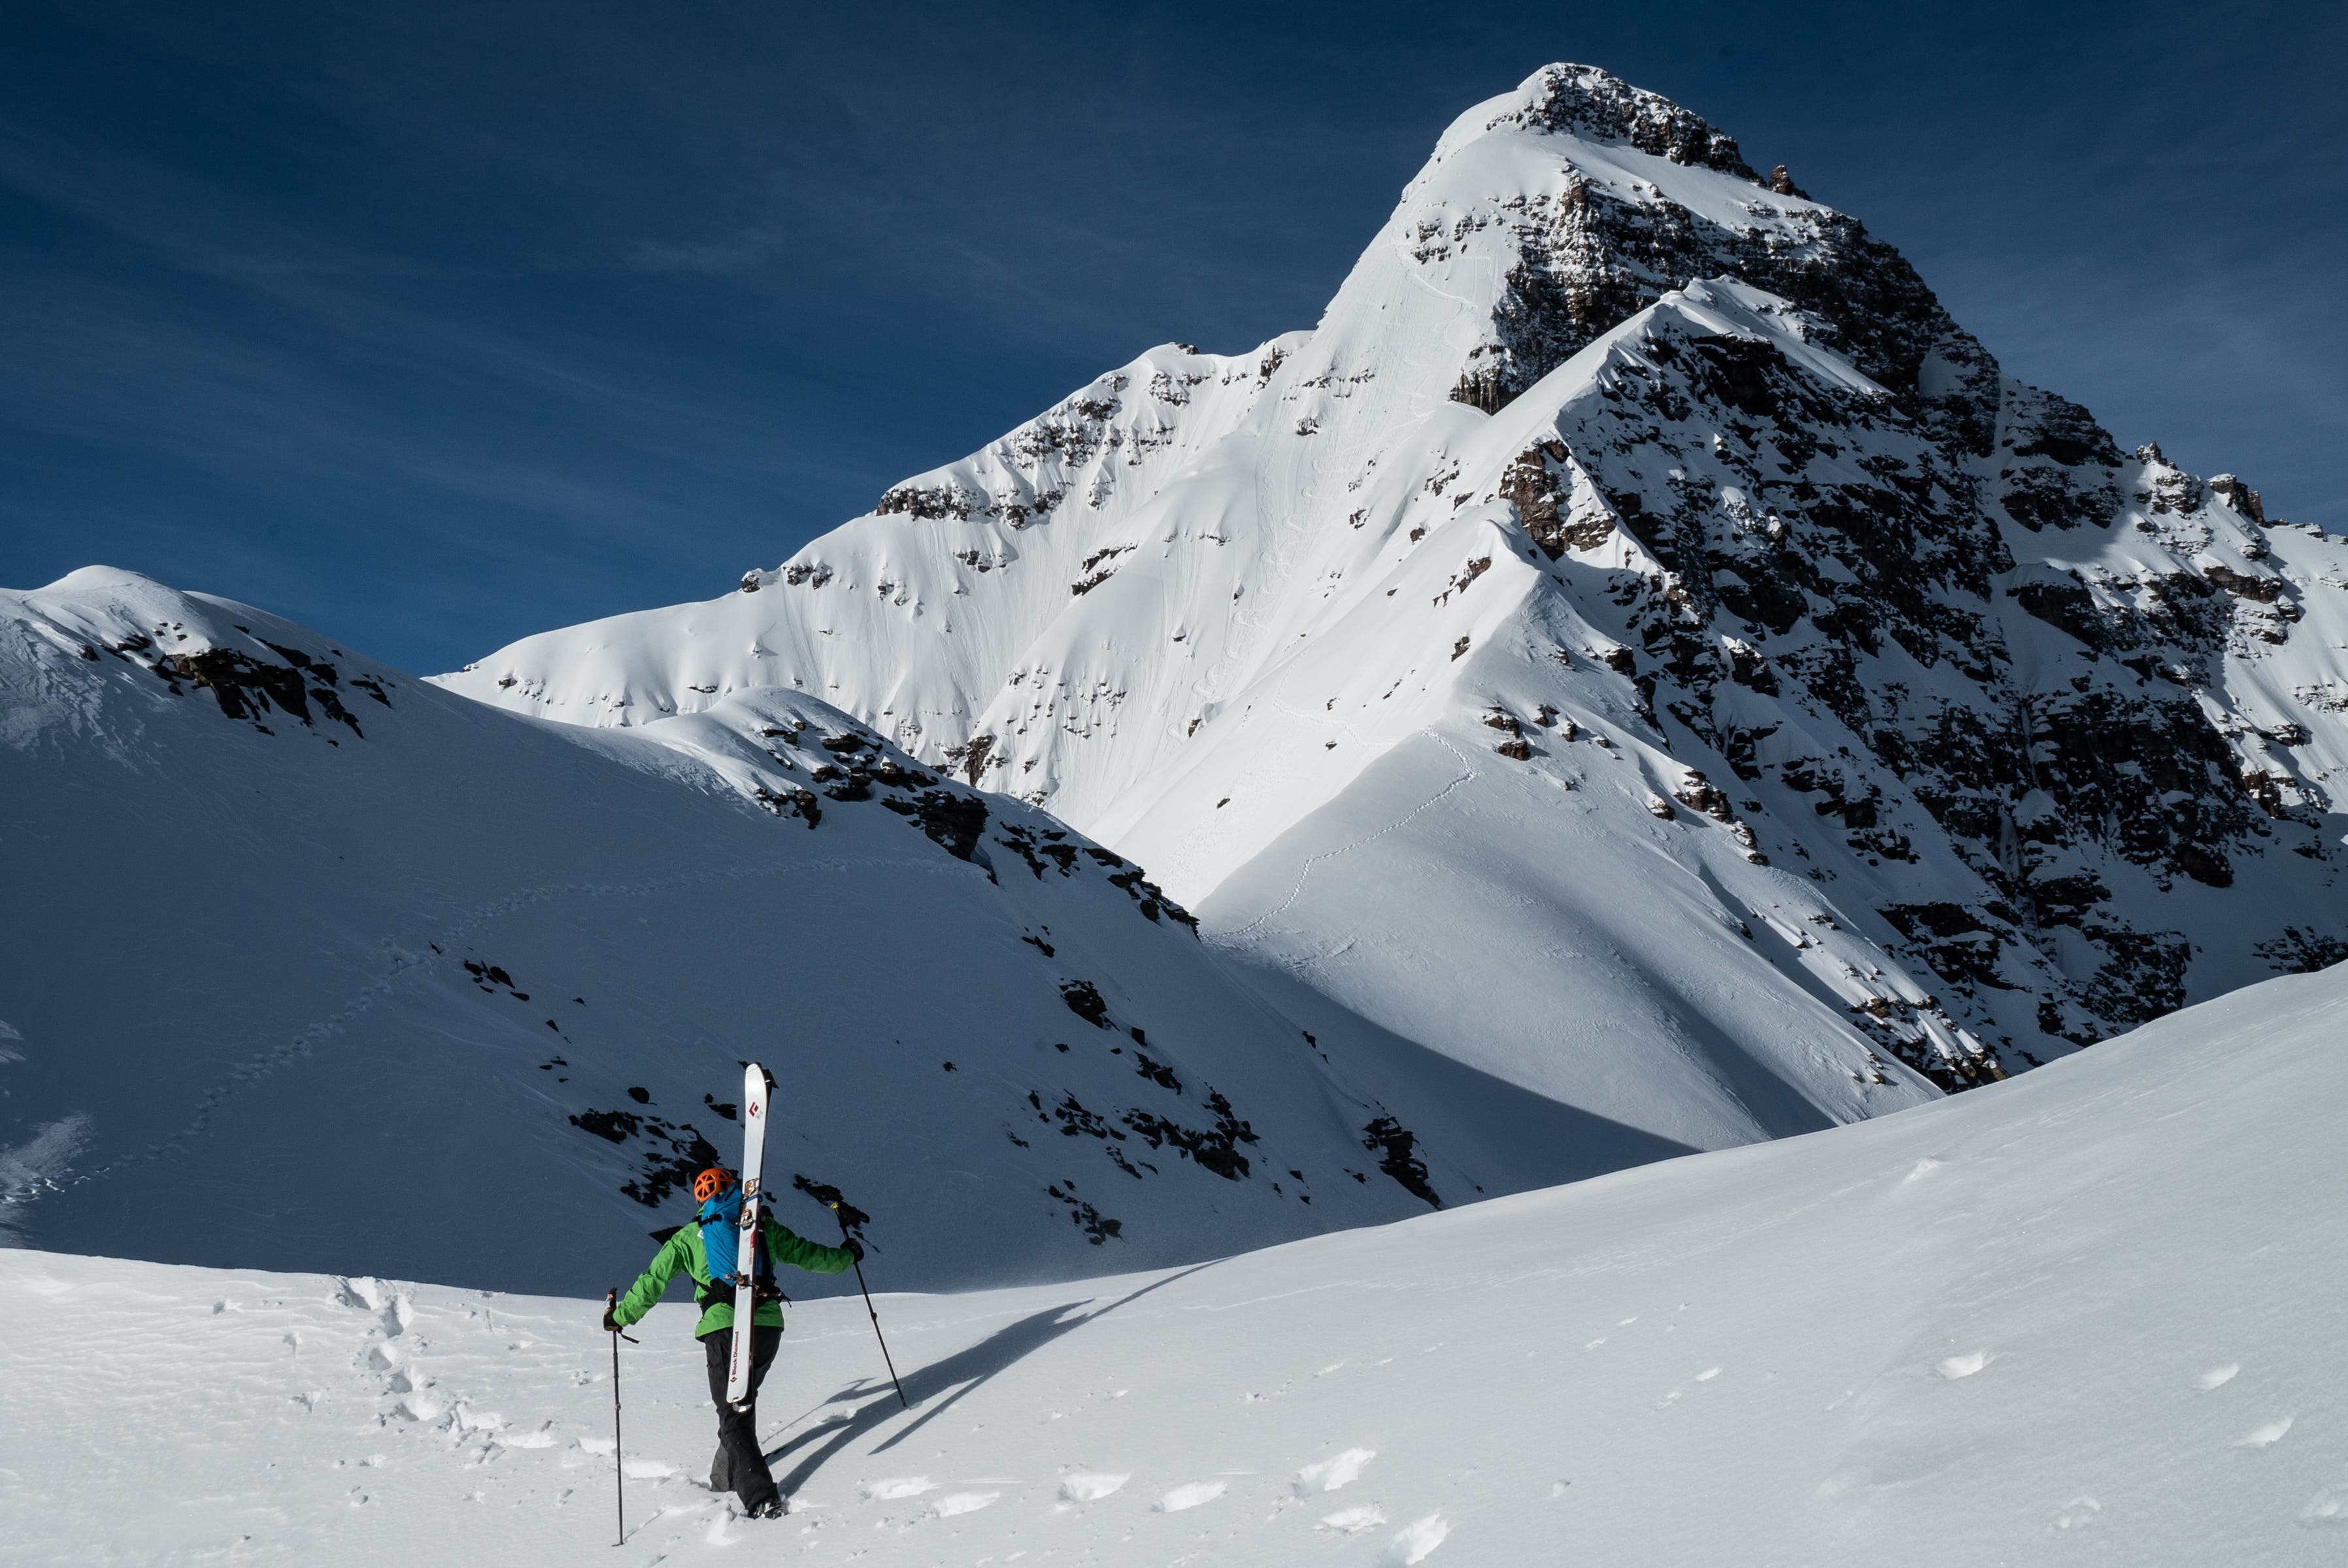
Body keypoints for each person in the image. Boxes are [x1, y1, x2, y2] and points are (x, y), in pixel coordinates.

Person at [604, 1165, 859, 1517]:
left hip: (727, 1327)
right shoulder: (761, 1226)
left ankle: (761, 1499)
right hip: (769, 1326)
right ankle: (723, 1479)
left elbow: (652, 1282)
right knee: (740, 1404)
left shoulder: (689, 1236)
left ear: (699, 1200)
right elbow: (810, 1256)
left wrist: (618, 1317)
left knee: (733, 1413)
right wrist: (849, 1256)